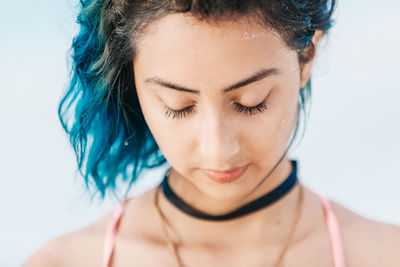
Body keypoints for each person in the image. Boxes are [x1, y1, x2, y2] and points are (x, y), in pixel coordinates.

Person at [23, 0, 400, 266]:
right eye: (178, 105)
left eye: (251, 102)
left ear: (307, 57)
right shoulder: (63, 261)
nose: (218, 149)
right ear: (133, 82)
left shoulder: (384, 254)